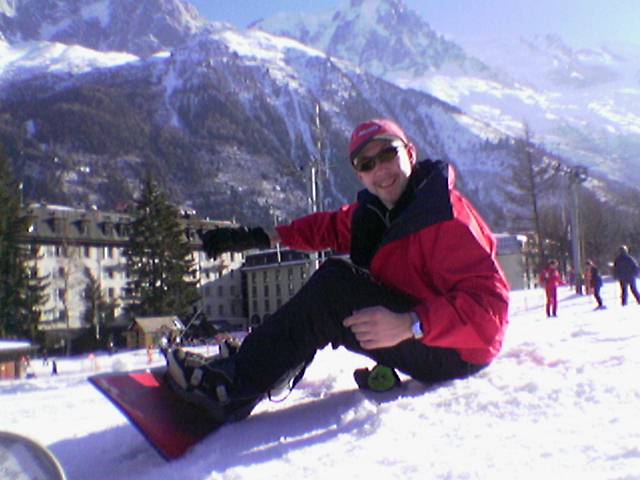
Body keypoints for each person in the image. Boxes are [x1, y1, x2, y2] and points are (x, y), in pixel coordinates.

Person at [166, 118, 510, 423]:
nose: (380, 170)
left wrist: (411, 324)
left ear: (410, 153)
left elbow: (491, 312)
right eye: (367, 163)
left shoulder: (444, 217)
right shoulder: (385, 212)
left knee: (333, 291)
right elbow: (328, 228)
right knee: (336, 278)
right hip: (419, 328)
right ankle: (261, 363)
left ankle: (229, 389)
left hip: (458, 351)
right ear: (359, 174)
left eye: (388, 154)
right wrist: (257, 236)